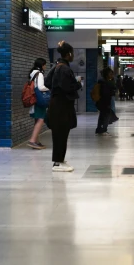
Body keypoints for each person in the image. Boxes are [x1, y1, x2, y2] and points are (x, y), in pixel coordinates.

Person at [45, 41, 83, 172]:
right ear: (69, 54)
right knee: (61, 134)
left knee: (60, 133)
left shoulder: (57, 66)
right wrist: (78, 84)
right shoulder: (64, 68)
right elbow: (67, 87)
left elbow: (47, 82)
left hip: (57, 104)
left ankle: (59, 159)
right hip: (61, 106)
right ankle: (58, 162)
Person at [27, 58, 49, 150]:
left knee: (37, 120)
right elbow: (40, 87)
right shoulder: (39, 74)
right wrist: (49, 89)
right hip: (39, 99)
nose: (45, 66)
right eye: (45, 65)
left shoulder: (32, 73)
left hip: (34, 99)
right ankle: (32, 140)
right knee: (41, 119)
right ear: (41, 65)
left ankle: (36, 141)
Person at [95, 67, 117, 136]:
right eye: (111, 74)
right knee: (105, 116)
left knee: (103, 116)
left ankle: (100, 129)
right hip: (104, 102)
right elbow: (107, 92)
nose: (112, 75)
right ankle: (103, 130)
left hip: (103, 102)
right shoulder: (105, 82)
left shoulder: (103, 81)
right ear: (107, 74)